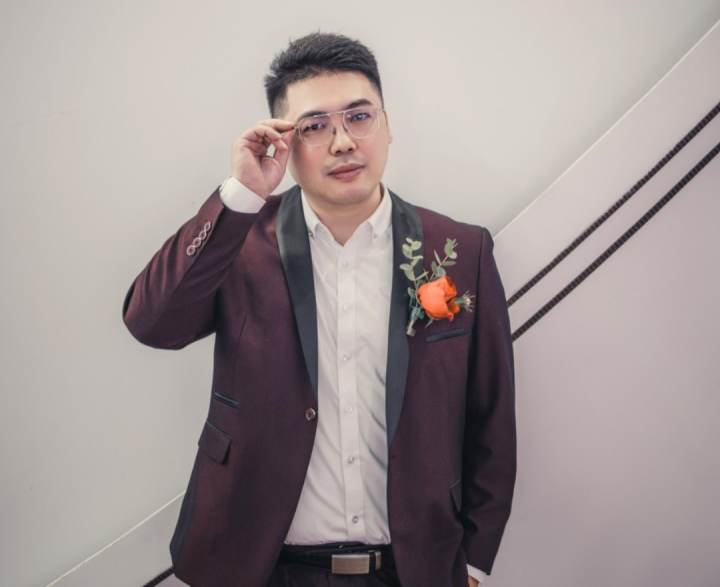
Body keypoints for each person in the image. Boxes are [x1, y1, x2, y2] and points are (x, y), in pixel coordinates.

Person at [123, 33, 516, 587]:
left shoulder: (460, 249)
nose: (342, 142)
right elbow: (152, 324)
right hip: (259, 568)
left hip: (414, 570)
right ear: (283, 142)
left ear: (387, 125)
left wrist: (472, 563)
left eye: (359, 116)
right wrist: (241, 194)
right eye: (314, 126)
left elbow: (491, 415)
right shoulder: (238, 241)